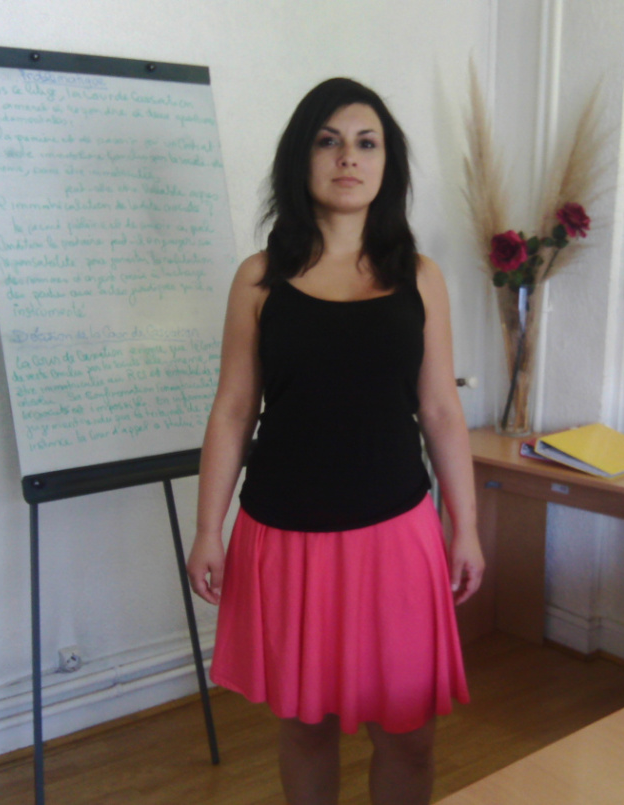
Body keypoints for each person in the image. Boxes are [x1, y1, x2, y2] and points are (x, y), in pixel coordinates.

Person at [186, 77, 484, 805]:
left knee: (409, 736)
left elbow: (442, 410)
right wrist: (207, 529)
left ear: (387, 164)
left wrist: (467, 526)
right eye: (329, 141)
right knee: (306, 728)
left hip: (397, 534)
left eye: (366, 142)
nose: (348, 157)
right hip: (286, 537)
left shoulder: (420, 278)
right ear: (302, 158)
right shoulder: (259, 280)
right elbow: (233, 410)